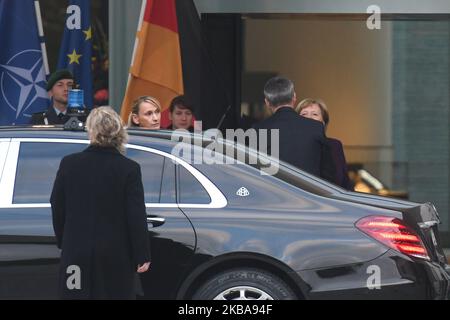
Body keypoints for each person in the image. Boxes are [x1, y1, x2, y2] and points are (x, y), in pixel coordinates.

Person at [50, 106, 151, 299]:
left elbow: (57, 204)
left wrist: (64, 239)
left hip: (76, 253)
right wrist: (142, 254)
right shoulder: (129, 168)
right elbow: (136, 214)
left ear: (91, 130)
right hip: (116, 256)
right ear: (119, 132)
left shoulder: (69, 163)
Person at [253, 77, 335, 182]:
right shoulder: (316, 127)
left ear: (267, 102)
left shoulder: (258, 129)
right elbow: (328, 174)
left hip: (274, 194)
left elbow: (255, 174)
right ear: (294, 97)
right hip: (308, 195)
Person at [296, 98, 354, 190]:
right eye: (304, 114)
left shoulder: (335, 145)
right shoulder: (293, 146)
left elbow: (345, 183)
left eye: (314, 114)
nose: (309, 118)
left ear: (323, 122)